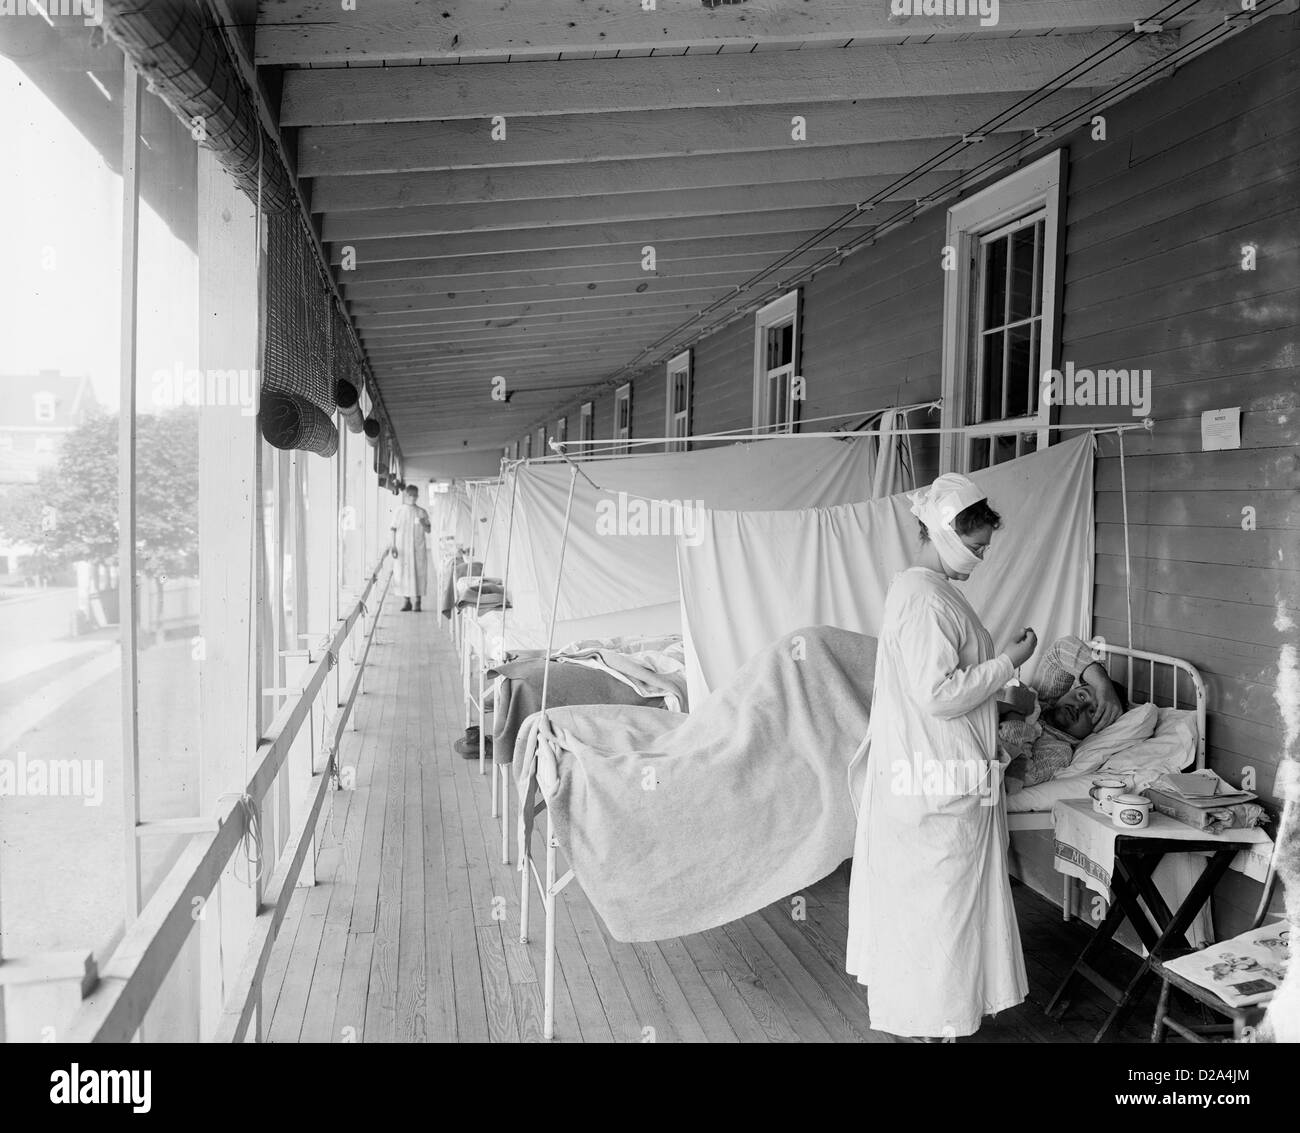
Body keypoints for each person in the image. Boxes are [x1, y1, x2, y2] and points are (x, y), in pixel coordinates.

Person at [845, 473, 1038, 1040]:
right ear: (947, 535)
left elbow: (938, 684)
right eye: (976, 547)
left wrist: (1002, 696)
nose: (981, 559)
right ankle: (934, 1021)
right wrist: (1009, 661)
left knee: (938, 907)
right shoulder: (924, 597)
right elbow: (938, 694)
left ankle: (939, 1019)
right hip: (932, 776)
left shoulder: (928, 591)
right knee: (939, 910)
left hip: (934, 769)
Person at [999, 636, 1127, 790]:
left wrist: (1016, 712)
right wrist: (1102, 685)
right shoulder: (1045, 698)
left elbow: (1017, 778)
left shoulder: (1059, 751)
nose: (1079, 707)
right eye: (1082, 695)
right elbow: (1061, 648)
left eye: (1093, 712)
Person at [390, 484, 432, 612]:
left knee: (418, 573)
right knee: (404, 574)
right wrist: (393, 545)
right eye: (410, 495)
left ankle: (418, 602)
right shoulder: (399, 511)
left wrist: (423, 522)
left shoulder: (421, 512)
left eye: (415, 495)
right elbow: (393, 529)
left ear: (418, 496)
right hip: (402, 548)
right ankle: (407, 601)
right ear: (406, 495)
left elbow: (429, 530)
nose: (413, 498)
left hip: (417, 549)